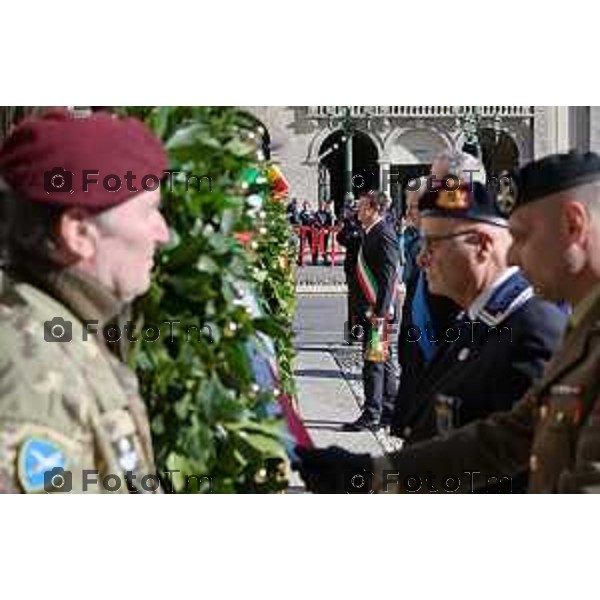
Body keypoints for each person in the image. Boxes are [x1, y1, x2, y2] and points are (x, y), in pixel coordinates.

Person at [296, 151, 600, 493]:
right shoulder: (581, 328)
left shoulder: (544, 326)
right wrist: (372, 474)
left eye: (524, 236)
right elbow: (505, 440)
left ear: (574, 224)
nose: (512, 255)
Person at [0, 110, 170, 493]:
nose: (163, 233)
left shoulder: (61, 325)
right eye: (148, 212)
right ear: (79, 232)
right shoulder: (32, 368)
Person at [391, 180, 567, 448]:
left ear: (483, 245)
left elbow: (518, 467)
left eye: (432, 244)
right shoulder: (475, 316)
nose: (421, 258)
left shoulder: (532, 329)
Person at [343, 191, 400, 431]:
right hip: (373, 309)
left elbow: (388, 277)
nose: (358, 210)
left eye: (363, 207)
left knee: (373, 362)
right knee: (383, 361)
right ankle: (389, 411)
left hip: (378, 311)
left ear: (375, 209)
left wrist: (379, 311)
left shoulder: (383, 233)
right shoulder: (370, 232)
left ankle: (372, 415)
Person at [337, 202, 364, 344]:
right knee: (353, 303)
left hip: (367, 269)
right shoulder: (351, 223)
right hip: (353, 268)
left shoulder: (368, 224)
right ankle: (353, 334)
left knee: (366, 304)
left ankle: (364, 333)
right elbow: (341, 238)